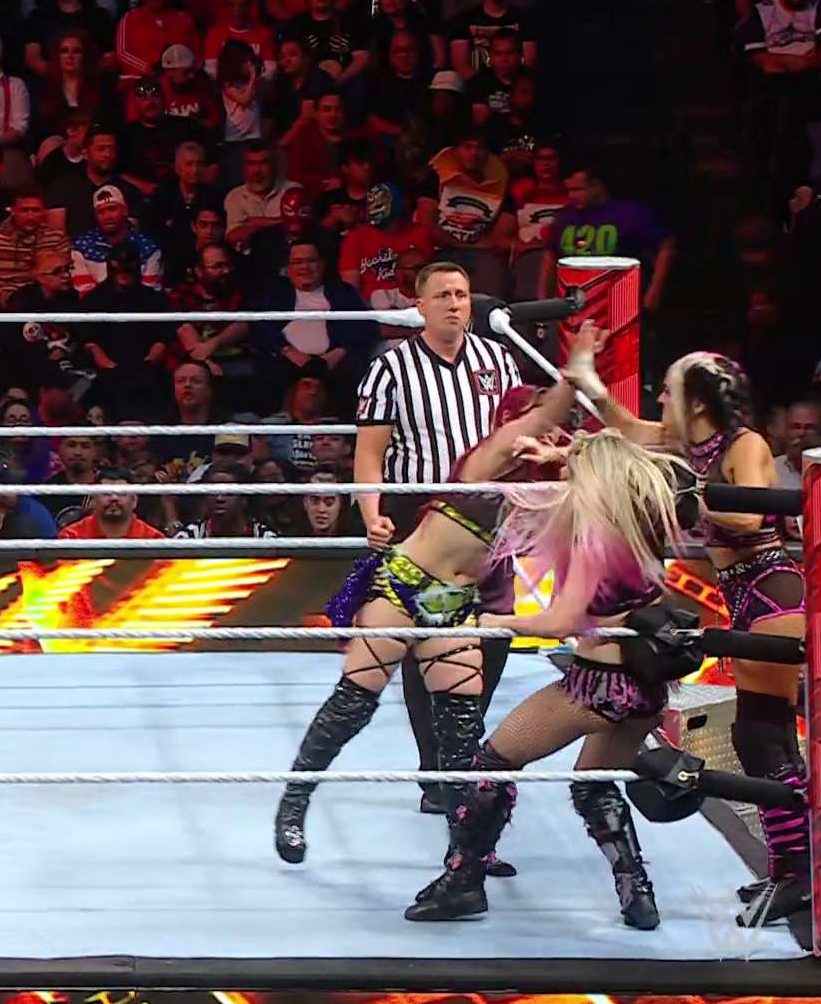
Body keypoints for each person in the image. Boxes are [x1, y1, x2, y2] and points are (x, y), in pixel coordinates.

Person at [276, 350, 583, 872]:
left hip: (454, 605)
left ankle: (468, 851)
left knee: (462, 731)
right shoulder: (486, 459)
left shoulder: (551, 488)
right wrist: (574, 381)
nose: (550, 434)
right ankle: (294, 802)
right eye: (540, 424)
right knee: (353, 703)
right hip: (405, 586)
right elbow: (539, 422)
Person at [404, 428, 694, 931]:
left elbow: (561, 621)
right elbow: (638, 460)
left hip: (596, 685)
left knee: (491, 766)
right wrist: (563, 452)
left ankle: (463, 882)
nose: (564, 479)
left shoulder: (594, 536)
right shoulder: (641, 521)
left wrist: (498, 621)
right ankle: (637, 894)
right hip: (645, 688)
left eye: (571, 472)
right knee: (594, 785)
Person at [577, 342, 810, 926]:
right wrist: (587, 380)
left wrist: (689, 497)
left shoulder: (744, 444)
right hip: (743, 593)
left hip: (772, 590)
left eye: (669, 390)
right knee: (759, 737)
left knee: (764, 736)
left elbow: (751, 516)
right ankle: (789, 869)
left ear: (698, 401)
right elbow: (628, 428)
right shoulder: (690, 445)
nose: (660, 398)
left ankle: (798, 876)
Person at [353, 260, 524, 813]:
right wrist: (372, 514)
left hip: (491, 516)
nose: (455, 304)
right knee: (428, 638)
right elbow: (370, 453)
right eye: (444, 295)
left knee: (496, 630)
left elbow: (517, 437)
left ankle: (463, 749)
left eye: (462, 294)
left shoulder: (498, 359)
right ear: (420, 306)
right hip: (423, 518)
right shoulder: (391, 368)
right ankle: (438, 773)